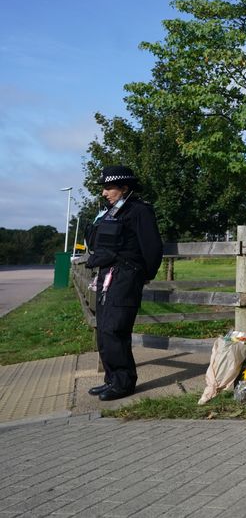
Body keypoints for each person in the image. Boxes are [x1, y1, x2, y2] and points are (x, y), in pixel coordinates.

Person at [85, 165, 163, 401]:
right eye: (104, 188)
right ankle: (111, 379)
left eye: (109, 188)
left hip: (126, 276)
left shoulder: (139, 211)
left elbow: (153, 247)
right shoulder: (108, 213)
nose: (104, 193)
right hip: (107, 275)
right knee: (104, 329)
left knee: (116, 329)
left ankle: (124, 383)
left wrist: (143, 274)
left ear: (125, 188)